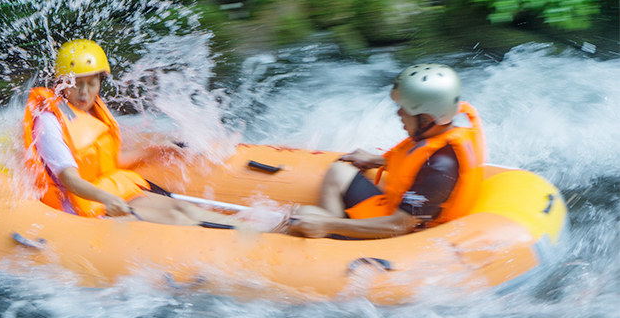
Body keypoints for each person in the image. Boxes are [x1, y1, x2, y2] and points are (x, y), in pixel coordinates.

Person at [24, 38, 248, 229]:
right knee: (174, 218)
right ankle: (242, 243)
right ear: (62, 83)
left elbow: (108, 161)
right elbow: (71, 180)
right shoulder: (48, 122)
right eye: (77, 84)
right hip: (83, 203)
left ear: (100, 81)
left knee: (183, 207)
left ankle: (260, 231)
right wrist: (107, 199)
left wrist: (154, 149)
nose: (84, 93)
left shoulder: (91, 111)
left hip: (110, 189)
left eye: (91, 83)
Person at [286, 63, 486, 239]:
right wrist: (378, 161)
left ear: (425, 119)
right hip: (393, 210)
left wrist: (326, 225)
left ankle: (328, 234)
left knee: (303, 216)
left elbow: (399, 226)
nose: (398, 114)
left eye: (403, 109)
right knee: (338, 171)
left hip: (405, 235)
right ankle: (334, 238)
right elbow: (415, 167)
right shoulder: (437, 135)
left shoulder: (441, 167)